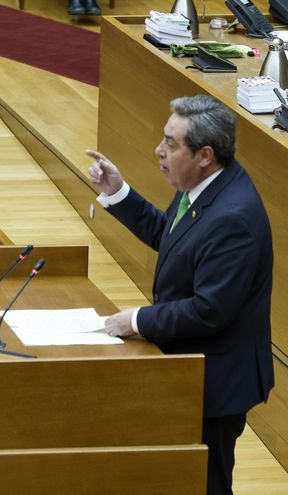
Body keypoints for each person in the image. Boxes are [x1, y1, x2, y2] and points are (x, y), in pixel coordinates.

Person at [87, 95, 273, 495]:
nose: (159, 150)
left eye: (171, 144)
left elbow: (210, 310)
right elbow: (170, 237)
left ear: (205, 154)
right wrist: (118, 193)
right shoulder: (204, 186)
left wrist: (136, 320)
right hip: (190, 368)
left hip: (215, 382)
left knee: (206, 483)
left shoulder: (233, 218)